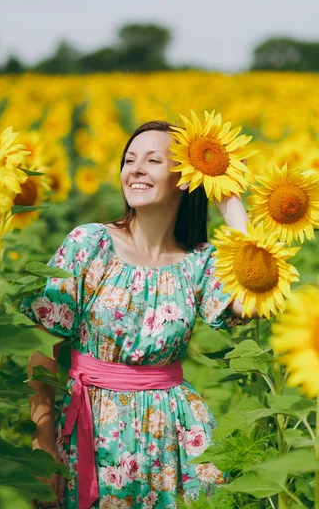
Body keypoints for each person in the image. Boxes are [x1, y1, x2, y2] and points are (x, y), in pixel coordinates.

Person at [20, 120, 258, 509]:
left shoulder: (198, 262)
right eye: (129, 160)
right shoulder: (89, 243)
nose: (136, 169)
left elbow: (250, 303)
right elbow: (43, 346)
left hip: (173, 439)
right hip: (94, 434)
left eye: (153, 160)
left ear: (183, 178)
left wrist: (230, 202)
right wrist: (42, 440)